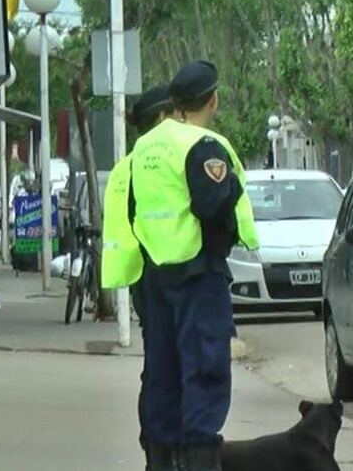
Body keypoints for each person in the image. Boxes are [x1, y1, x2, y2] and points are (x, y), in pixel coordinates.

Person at [130, 60, 259, 471]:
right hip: (197, 276)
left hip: (155, 276)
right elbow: (214, 204)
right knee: (204, 373)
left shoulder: (146, 147)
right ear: (213, 99)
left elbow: (133, 209)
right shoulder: (202, 145)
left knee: (163, 375)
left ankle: (161, 461)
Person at [101, 84, 174, 471]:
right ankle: (168, 452)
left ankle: (155, 448)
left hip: (142, 280)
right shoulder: (159, 163)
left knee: (156, 366)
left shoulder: (123, 168)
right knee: (173, 370)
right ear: (162, 118)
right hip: (169, 277)